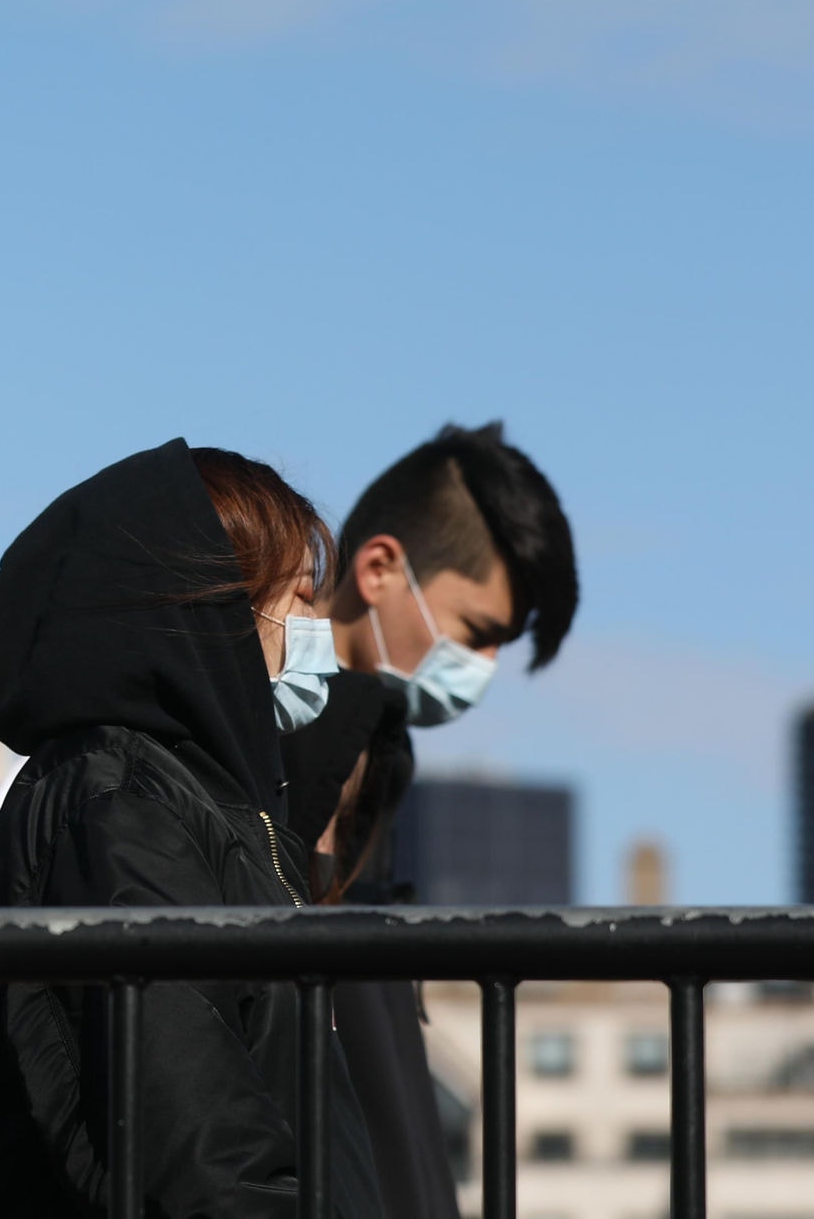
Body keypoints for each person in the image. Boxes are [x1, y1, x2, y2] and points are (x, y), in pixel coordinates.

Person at [0, 438, 383, 1219]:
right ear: (214, 605)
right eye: (298, 595)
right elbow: (196, 1145)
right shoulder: (119, 809)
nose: (317, 624)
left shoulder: (203, 805)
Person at [280, 420, 579, 1219]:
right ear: (379, 568)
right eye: (475, 634)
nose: (477, 671)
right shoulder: (250, 728)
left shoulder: (377, 759)